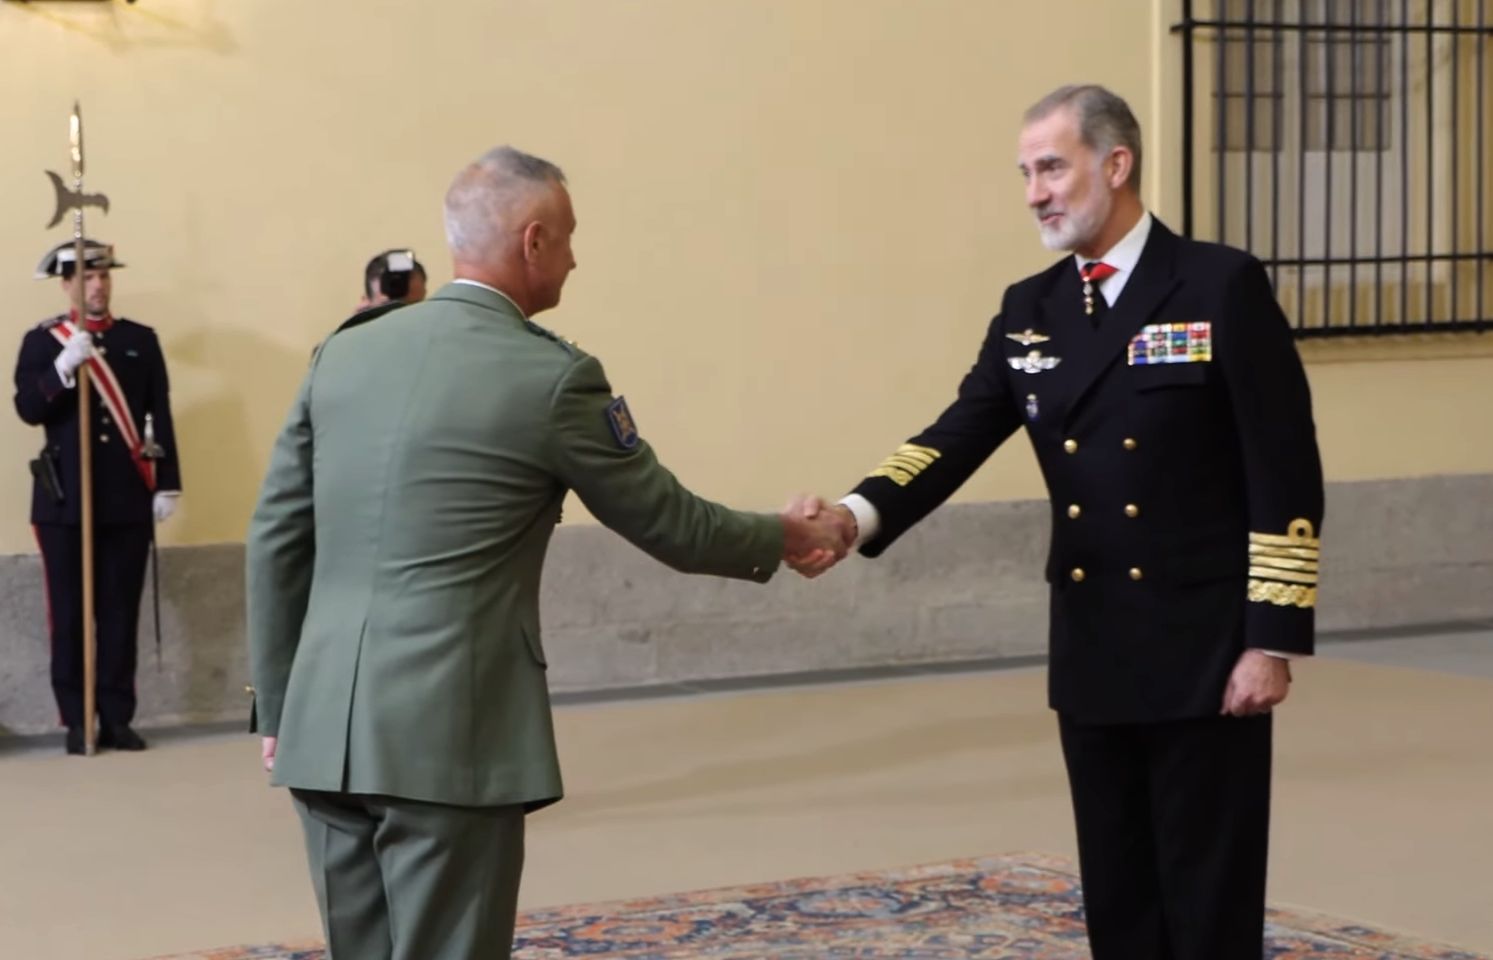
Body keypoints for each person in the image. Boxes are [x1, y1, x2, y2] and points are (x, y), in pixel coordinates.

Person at [245, 145, 845, 960]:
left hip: (323, 730)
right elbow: (673, 524)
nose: (573, 256)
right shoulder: (552, 379)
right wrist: (787, 532)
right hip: (445, 737)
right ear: (532, 242)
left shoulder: (343, 353)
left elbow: (279, 534)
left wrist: (280, 706)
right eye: (566, 237)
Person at [791, 84, 1324, 959]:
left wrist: (1269, 638)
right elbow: (954, 435)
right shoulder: (1028, 309)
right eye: (1024, 173)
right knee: (1117, 889)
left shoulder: (1217, 284)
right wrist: (854, 515)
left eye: (1050, 167)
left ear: (1114, 165)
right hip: (1094, 636)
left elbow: (1283, 469)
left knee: (1206, 891)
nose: (1033, 191)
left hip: (1204, 641)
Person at [12, 239, 183, 755]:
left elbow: (160, 414)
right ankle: (75, 718)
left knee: (117, 614)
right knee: (67, 616)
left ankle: (116, 716)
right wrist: (64, 368)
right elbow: (27, 408)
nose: (98, 285)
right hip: (65, 504)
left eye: (104, 275)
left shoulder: (140, 341)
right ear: (67, 284)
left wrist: (168, 481)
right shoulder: (43, 342)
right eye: (87, 277)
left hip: (127, 498)